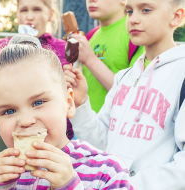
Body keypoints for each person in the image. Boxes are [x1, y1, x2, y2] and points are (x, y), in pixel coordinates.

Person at [0, 35, 133, 190]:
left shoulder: (106, 171)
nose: (25, 120)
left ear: (68, 103)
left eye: (38, 102)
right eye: (8, 111)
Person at [64, 0, 185, 188]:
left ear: (176, 16)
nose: (133, 19)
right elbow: (101, 145)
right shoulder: (124, 77)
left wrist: (125, 184)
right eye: (129, 11)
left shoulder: (181, 74)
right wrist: (80, 104)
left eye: (145, 10)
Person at [0, 0, 75, 139]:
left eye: (37, 9)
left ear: (50, 14)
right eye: (24, 10)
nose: (30, 16)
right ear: (17, 14)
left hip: (61, 134)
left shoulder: (64, 47)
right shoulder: (3, 48)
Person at [68, 0, 145, 113]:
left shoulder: (136, 33)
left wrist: (90, 59)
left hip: (116, 124)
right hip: (86, 123)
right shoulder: (90, 35)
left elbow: (134, 96)